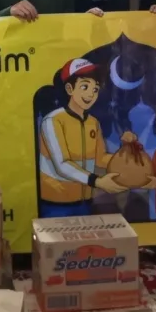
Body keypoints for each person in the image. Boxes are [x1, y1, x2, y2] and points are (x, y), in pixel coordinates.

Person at [38, 59, 127, 217]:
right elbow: (62, 164)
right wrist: (97, 181)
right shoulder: (53, 120)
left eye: (95, 89)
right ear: (70, 88)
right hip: (56, 204)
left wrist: (126, 158)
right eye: (85, 87)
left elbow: (100, 158)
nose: (90, 94)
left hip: (85, 202)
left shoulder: (93, 123)